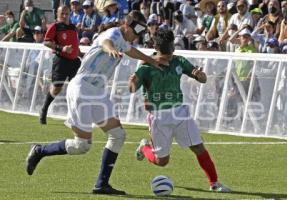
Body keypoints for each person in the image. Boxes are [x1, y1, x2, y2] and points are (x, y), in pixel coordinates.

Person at [26, 10, 164, 195]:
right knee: (81, 145)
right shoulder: (113, 34)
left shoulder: (124, 40)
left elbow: (132, 51)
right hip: (82, 89)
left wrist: (151, 60)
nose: (136, 36)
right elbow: (106, 43)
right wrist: (111, 49)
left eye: (139, 33)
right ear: (125, 24)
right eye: (134, 31)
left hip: (98, 92)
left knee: (118, 136)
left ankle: (101, 185)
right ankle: (39, 151)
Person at [128, 28, 231, 192]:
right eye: (166, 51)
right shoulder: (146, 67)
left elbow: (202, 79)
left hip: (180, 112)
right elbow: (132, 89)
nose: (169, 54)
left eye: (170, 49)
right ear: (156, 47)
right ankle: (144, 148)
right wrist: (132, 81)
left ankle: (214, 183)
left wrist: (200, 75)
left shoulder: (179, 61)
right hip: (158, 116)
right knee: (162, 162)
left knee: (198, 147)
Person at [39, 6, 81, 124]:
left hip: (74, 62)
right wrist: (61, 48)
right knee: (57, 88)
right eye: (62, 13)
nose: (64, 16)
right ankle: (44, 109)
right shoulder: (55, 26)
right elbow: (46, 42)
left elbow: (75, 45)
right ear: (57, 14)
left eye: (66, 14)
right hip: (61, 61)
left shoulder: (73, 27)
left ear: (70, 14)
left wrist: (81, 54)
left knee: (77, 88)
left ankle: (74, 117)